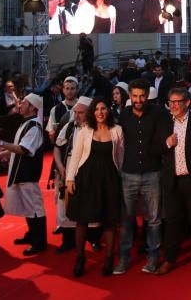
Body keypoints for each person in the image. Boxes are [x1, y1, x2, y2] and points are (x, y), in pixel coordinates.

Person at [115, 79, 169, 274]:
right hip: (128, 173)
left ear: (147, 95)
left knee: (154, 220)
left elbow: (164, 141)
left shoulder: (159, 113)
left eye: (142, 96)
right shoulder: (124, 115)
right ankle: (124, 258)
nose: (138, 100)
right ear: (129, 96)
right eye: (135, 96)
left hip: (152, 173)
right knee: (127, 218)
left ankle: (153, 258)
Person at [66, 98, 124, 277]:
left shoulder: (117, 130)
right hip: (86, 178)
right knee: (82, 219)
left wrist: (120, 179)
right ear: (92, 112)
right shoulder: (85, 131)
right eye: (97, 109)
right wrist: (70, 179)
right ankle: (80, 257)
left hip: (109, 179)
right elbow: (75, 156)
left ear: (108, 110)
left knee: (110, 219)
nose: (100, 112)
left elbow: (121, 157)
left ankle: (108, 259)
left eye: (103, 108)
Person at [0, 94, 47, 256]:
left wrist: (0, 143)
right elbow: (18, 147)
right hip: (21, 170)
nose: (20, 105)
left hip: (28, 172)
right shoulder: (27, 124)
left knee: (34, 208)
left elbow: (24, 150)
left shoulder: (34, 127)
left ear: (33, 107)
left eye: (24, 103)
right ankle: (32, 235)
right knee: (29, 207)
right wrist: (0, 154)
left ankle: (39, 242)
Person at [158, 87, 191, 277]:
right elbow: (154, 147)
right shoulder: (164, 122)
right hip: (172, 180)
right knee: (172, 222)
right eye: (171, 102)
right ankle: (170, 259)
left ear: (187, 103)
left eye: (178, 102)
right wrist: (167, 144)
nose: (174, 105)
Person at [53, 96, 91, 253]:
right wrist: (61, 166)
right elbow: (57, 146)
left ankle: (92, 238)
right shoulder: (69, 127)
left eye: (81, 112)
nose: (76, 115)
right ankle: (68, 239)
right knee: (65, 203)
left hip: (88, 168)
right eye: (76, 112)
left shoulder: (94, 128)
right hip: (68, 167)